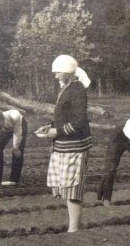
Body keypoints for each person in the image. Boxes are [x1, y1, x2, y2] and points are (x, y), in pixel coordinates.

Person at [35, 54, 92, 233]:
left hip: (74, 146)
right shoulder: (68, 88)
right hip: (64, 146)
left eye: (58, 72)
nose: (55, 76)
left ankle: (74, 229)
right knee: (66, 187)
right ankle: (73, 227)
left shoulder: (77, 90)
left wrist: (57, 131)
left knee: (72, 188)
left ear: (67, 72)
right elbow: (64, 116)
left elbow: (80, 121)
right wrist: (50, 127)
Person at [0, 108, 28, 186]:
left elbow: (17, 133)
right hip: (8, 128)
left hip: (20, 124)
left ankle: (14, 179)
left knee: (17, 150)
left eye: (0, 125)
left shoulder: (15, 116)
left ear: (3, 119)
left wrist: (15, 147)